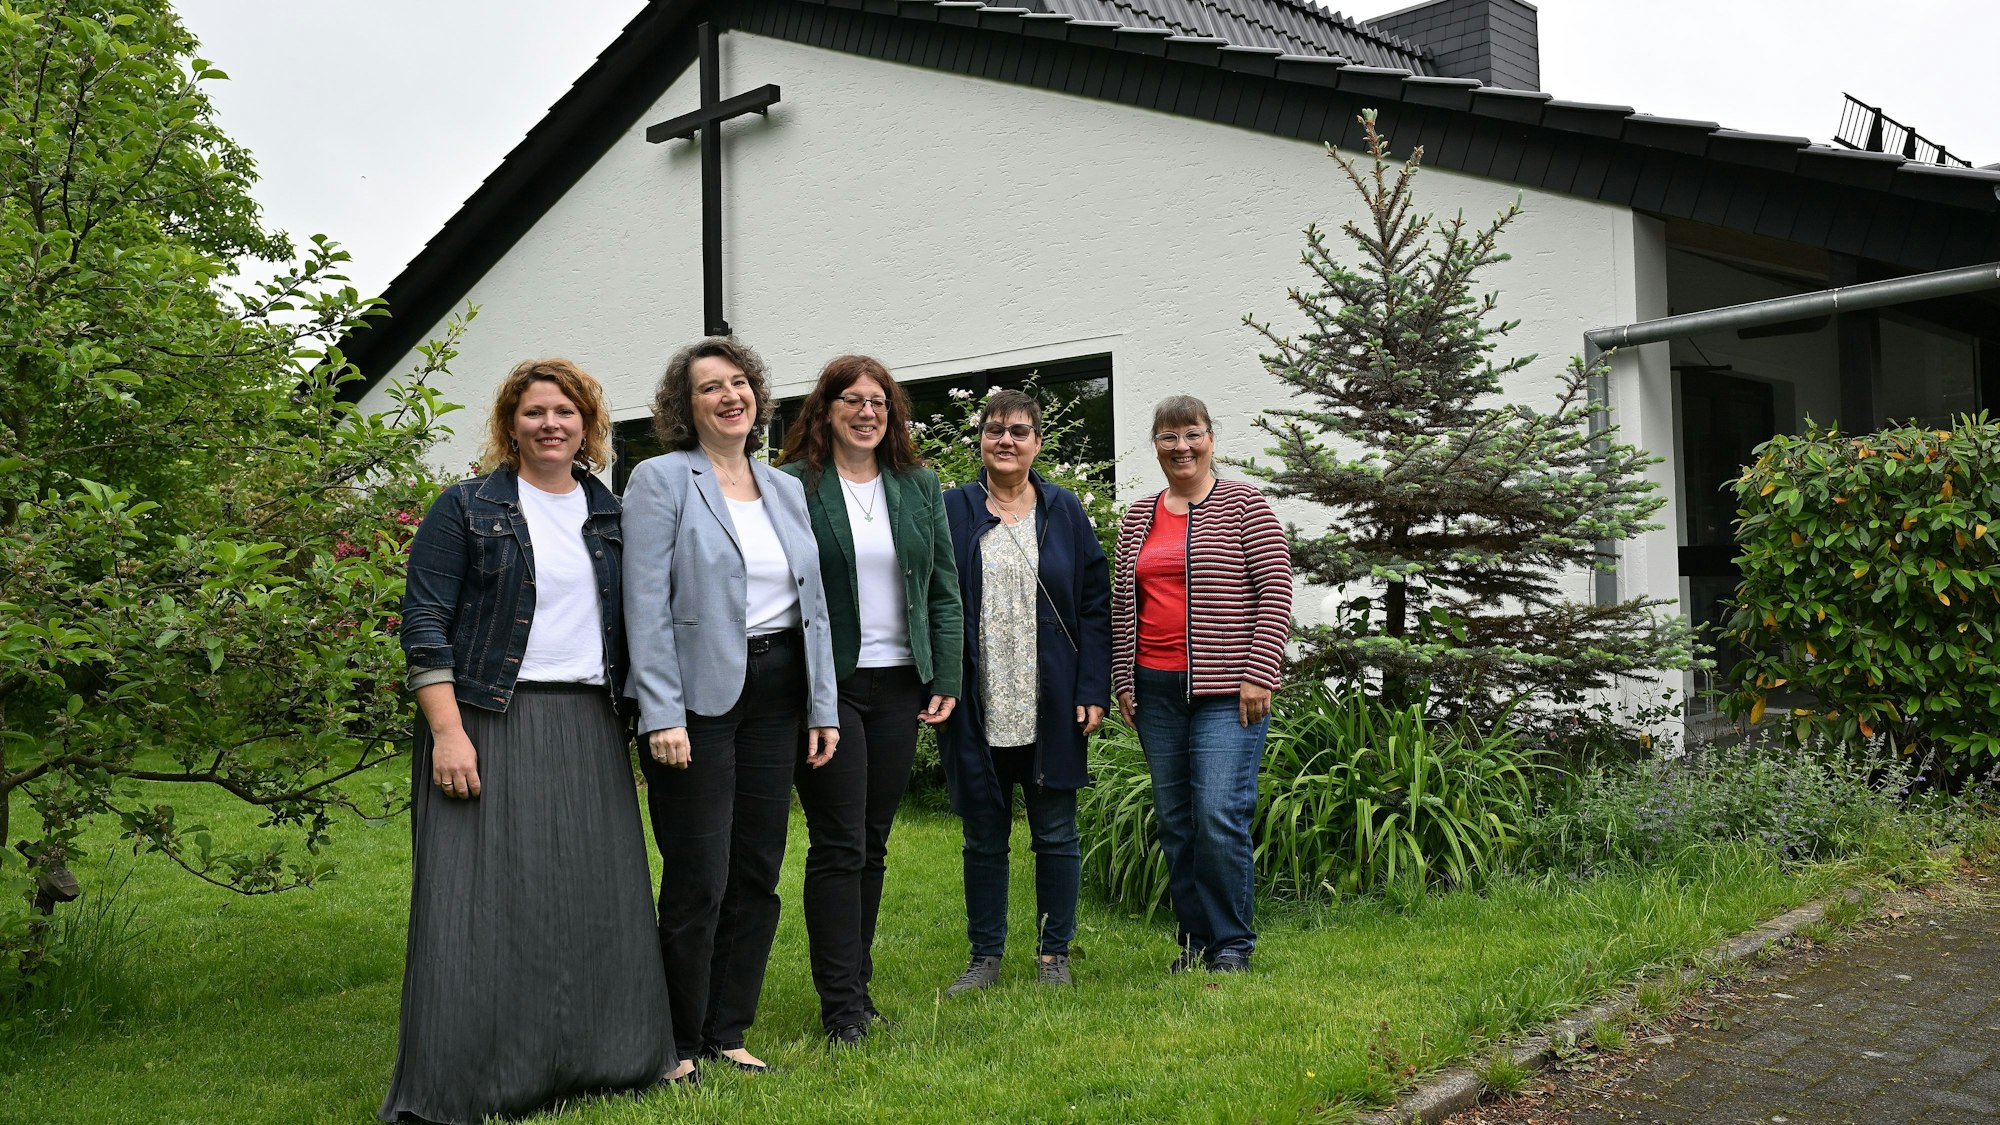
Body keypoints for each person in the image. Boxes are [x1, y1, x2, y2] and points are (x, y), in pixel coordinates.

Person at [383, 359, 679, 1125]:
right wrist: (447, 731)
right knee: (474, 905)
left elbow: (640, 620)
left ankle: (605, 1061)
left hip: (586, 721)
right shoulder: (465, 507)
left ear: (588, 425)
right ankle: (463, 1084)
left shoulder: (608, 511)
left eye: (566, 412)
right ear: (509, 424)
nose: (551, 424)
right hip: (486, 717)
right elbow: (424, 626)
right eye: (535, 411)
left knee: (596, 899)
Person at [623, 337, 842, 1074]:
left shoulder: (782, 487)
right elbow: (644, 604)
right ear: (685, 407)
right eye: (710, 386)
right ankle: (676, 1041)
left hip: (779, 690)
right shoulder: (660, 480)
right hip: (700, 700)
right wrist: (662, 712)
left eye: (739, 382)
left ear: (757, 395)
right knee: (698, 874)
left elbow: (811, 604)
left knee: (756, 868)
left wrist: (823, 704)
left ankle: (727, 1028)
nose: (730, 395)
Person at [776, 355, 963, 1044]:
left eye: (878, 401)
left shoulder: (917, 484)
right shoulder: (792, 484)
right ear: (824, 410)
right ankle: (842, 1006)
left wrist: (945, 674)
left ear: (893, 413)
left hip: (899, 682)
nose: (866, 411)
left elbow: (943, 585)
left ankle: (857, 986)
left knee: (874, 843)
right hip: (828, 686)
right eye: (850, 399)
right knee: (839, 842)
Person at [1111, 395, 1293, 974]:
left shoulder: (1244, 504)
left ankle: (1232, 944)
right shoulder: (1139, 516)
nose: (1181, 447)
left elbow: (1275, 589)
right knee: (1177, 823)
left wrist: (1260, 671)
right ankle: (1194, 944)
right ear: (1156, 445)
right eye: (1168, 437)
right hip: (1155, 690)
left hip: (1226, 691)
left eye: (1192, 434)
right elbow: (1122, 607)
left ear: (1211, 438)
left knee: (1218, 814)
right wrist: (1123, 681)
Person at [938, 390, 1111, 994]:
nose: (1005, 441)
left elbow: (1095, 604)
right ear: (980, 442)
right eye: (993, 431)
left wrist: (1094, 687)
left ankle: (1052, 955)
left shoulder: (1063, 510)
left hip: (1051, 702)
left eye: (1017, 431)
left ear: (1037, 442)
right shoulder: (952, 508)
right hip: (978, 701)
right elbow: (932, 599)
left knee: (1056, 834)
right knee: (983, 837)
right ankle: (985, 957)